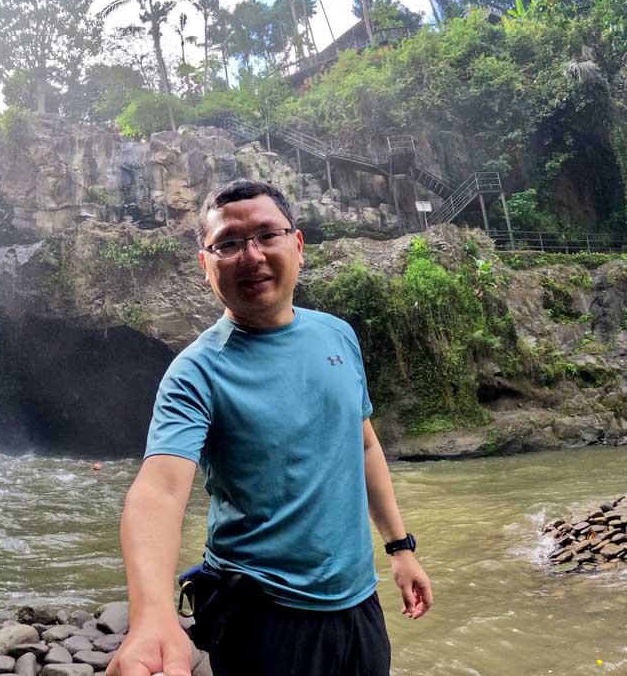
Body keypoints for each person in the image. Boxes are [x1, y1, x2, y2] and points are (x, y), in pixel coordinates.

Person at [106, 180, 432, 676]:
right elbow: (161, 490)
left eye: (266, 235)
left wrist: (401, 549)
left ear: (297, 246)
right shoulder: (197, 371)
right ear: (205, 265)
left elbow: (363, 445)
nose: (250, 255)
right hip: (260, 615)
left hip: (359, 605)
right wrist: (151, 616)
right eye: (228, 244)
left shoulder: (338, 335)